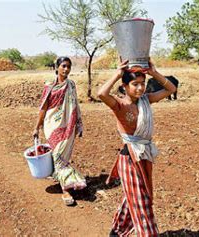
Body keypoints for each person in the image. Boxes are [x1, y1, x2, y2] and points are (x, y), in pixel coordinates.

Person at [97, 59, 176, 237]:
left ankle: (117, 231)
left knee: (137, 195)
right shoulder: (120, 105)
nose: (140, 88)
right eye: (135, 84)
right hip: (130, 158)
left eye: (143, 84)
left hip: (144, 155)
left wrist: (154, 73)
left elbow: (171, 89)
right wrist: (117, 74)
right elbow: (101, 93)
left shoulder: (146, 100)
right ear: (125, 86)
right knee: (142, 203)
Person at [33, 56, 86, 206]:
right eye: (63, 66)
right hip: (52, 125)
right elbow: (43, 107)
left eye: (68, 66)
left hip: (68, 125)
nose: (66, 69)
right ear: (57, 67)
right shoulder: (49, 86)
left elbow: (75, 105)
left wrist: (79, 124)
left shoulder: (72, 85)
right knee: (57, 154)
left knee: (61, 156)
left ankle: (62, 181)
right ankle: (66, 190)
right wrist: (36, 127)